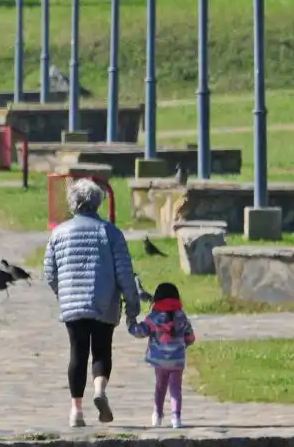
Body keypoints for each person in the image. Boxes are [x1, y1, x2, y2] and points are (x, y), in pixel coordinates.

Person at [43, 177, 140, 428]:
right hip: (104, 301)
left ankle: (76, 410)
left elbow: (49, 272)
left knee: (77, 352)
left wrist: (62, 292)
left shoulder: (58, 233)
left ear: (72, 203)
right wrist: (132, 305)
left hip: (72, 303)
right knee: (101, 348)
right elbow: (124, 273)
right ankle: (99, 389)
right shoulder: (110, 232)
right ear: (98, 203)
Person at [127, 281, 196, 429]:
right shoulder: (182, 316)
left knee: (160, 387)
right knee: (176, 388)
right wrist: (183, 344)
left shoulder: (154, 317)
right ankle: (176, 417)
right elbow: (190, 337)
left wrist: (130, 321)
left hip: (159, 361)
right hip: (177, 360)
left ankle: (157, 415)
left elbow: (139, 331)